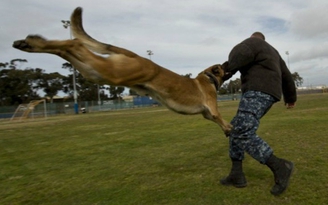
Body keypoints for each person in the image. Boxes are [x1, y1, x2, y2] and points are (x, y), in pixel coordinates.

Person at [220, 32, 297, 196]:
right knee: (235, 127)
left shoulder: (252, 43)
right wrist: (290, 97)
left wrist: (222, 72)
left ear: (253, 37)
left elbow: (240, 54)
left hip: (257, 90)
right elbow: (286, 75)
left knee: (242, 130)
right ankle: (236, 173)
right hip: (271, 93)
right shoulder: (274, 52)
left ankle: (280, 167)